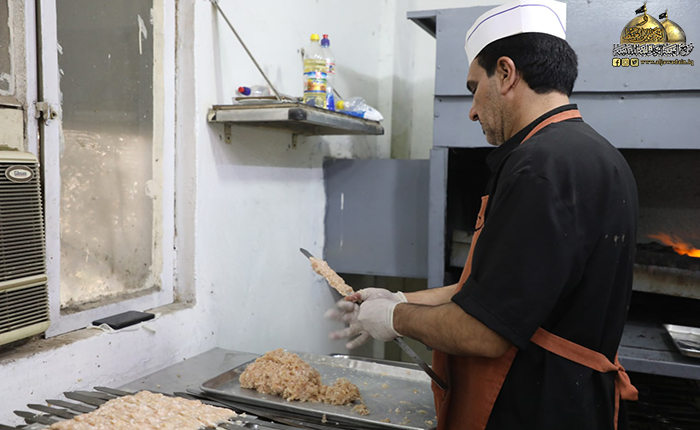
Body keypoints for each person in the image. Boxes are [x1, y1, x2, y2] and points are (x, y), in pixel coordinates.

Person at [324, 1, 639, 429]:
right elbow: (492, 292)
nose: (472, 110)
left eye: (475, 87)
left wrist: (394, 319)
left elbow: (484, 331)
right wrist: (401, 299)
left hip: (537, 406)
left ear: (506, 73)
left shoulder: (540, 168)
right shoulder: (597, 154)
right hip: (575, 399)